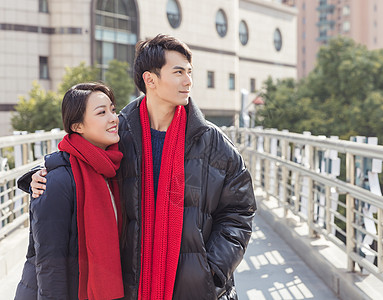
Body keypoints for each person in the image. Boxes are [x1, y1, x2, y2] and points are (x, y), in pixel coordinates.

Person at [28, 34, 256, 300]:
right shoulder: (119, 133)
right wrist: (38, 174)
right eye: (178, 72)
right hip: (130, 284)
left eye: (189, 72)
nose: (188, 81)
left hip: (194, 288)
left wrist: (213, 270)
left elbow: (240, 210)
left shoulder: (212, 141)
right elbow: (78, 156)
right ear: (150, 79)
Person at [15, 83, 124, 300]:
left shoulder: (113, 168)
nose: (113, 118)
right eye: (101, 112)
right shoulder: (54, 182)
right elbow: (49, 265)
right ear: (77, 126)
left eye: (113, 109)